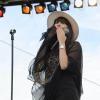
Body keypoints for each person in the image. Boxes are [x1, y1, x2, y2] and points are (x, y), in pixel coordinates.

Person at [29, 11, 83, 100]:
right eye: (56, 22)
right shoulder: (51, 49)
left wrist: (62, 42)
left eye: (62, 23)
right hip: (50, 93)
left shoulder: (75, 45)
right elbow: (38, 68)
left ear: (68, 28)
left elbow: (64, 65)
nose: (58, 24)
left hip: (66, 94)